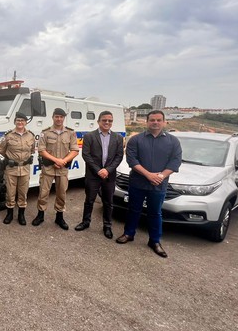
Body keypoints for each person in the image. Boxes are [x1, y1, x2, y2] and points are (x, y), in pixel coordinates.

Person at [116, 110, 182, 258]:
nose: (155, 123)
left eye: (159, 120)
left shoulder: (173, 141)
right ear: (147, 122)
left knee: (155, 213)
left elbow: (175, 161)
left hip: (158, 185)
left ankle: (154, 241)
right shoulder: (136, 140)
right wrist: (148, 175)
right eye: (152, 120)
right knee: (133, 210)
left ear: (164, 122)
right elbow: (132, 160)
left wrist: (161, 176)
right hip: (138, 183)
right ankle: (128, 234)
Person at [74, 111, 124, 239]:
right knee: (89, 200)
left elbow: (119, 156)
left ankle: (107, 226)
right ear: (98, 121)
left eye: (110, 121)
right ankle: (86, 222)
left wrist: (107, 170)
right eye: (104, 120)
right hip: (93, 175)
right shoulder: (89, 136)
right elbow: (86, 155)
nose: (107, 123)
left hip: (109, 176)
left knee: (108, 202)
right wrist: (98, 170)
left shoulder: (118, 138)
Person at [32, 108, 79, 230]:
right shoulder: (45, 133)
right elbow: (41, 150)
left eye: (61, 117)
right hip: (48, 168)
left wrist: (63, 161)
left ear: (64, 118)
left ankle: (59, 217)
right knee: (43, 192)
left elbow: (75, 150)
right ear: (53, 117)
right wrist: (56, 160)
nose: (59, 119)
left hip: (63, 169)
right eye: (57, 116)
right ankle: (40, 215)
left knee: (61, 193)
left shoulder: (70, 133)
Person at [0, 112, 35, 225]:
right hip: (11, 168)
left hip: (25, 168)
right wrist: (10, 159)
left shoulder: (31, 136)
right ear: (15, 122)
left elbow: (32, 150)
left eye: (22, 120)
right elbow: (2, 150)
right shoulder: (8, 135)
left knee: (23, 193)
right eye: (18, 120)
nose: (20, 122)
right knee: (10, 193)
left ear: (25, 122)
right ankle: (9, 214)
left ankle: (21, 215)